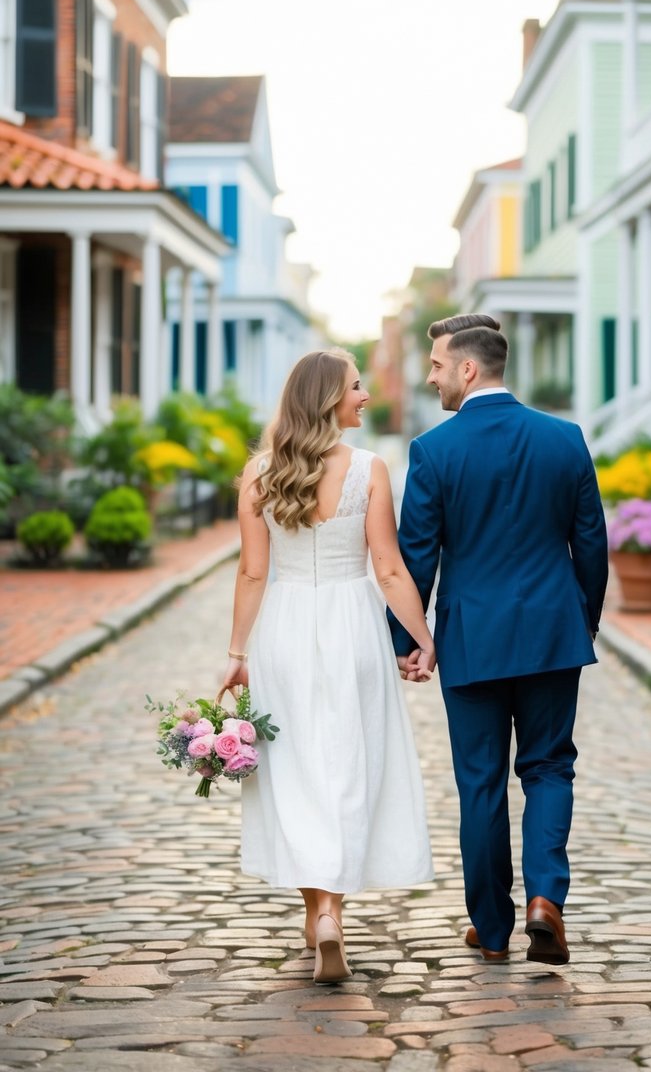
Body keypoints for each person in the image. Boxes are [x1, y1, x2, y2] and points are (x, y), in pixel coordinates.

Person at [389, 313, 608, 966]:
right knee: (547, 767)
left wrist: (410, 638)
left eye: (434, 366)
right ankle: (546, 899)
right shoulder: (563, 438)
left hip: (472, 638)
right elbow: (590, 542)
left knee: (480, 782)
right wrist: (582, 618)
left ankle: (491, 929)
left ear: (466, 367)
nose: (429, 378)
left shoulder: (434, 451)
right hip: (550, 632)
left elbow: (415, 555)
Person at [221, 349, 434, 985]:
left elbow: (253, 571)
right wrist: (424, 638)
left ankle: (316, 914)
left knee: (297, 771)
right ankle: (333, 914)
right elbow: (390, 569)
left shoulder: (260, 474)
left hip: (283, 627)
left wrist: (237, 653)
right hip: (352, 625)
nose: (365, 396)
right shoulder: (369, 469)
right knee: (346, 763)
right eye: (355, 387)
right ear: (326, 400)